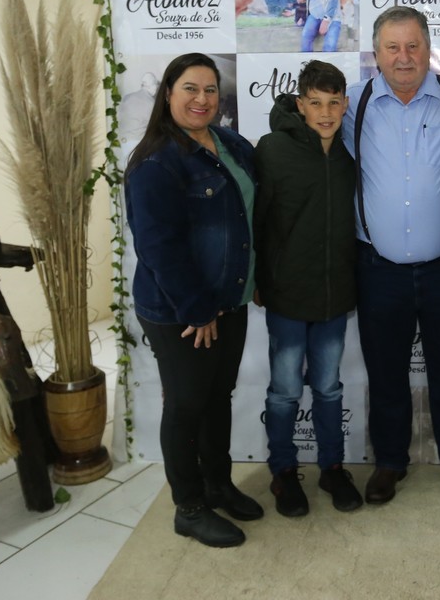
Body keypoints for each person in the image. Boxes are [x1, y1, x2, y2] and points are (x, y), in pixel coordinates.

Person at [341, 5, 440, 509]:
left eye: (413, 46)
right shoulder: (353, 105)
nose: (403, 57)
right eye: (392, 47)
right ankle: (389, 462)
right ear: (375, 53)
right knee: (385, 372)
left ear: (428, 48)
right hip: (377, 270)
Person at [124, 53, 263, 549]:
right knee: (186, 405)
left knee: (216, 397)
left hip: (229, 299)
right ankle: (189, 507)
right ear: (168, 94)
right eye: (190, 89)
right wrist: (197, 308)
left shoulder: (230, 144)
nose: (202, 99)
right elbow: (159, 247)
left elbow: (246, 219)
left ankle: (217, 484)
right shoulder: (156, 162)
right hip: (181, 310)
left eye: (210, 90)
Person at [253, 60, 363, 517]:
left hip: (335, 294)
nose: (325, 113)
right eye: (316, 103)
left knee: (329, 388)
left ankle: (332, 468)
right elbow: (258, 219)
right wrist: (260, 279)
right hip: (286, 292)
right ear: (300, 104)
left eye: (334, 103)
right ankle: (282, 472)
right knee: (284, 390)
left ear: (345, 104)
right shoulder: (273, 149)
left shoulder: (350, 151)